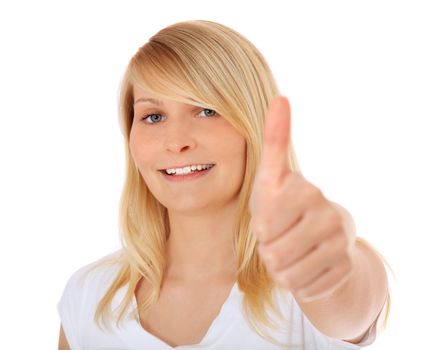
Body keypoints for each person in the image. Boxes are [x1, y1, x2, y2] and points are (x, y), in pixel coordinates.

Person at [57, 19, 390, 350]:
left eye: (206, 110)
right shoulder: (89, 296)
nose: (176, 142)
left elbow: (348, 303)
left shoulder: (300, 293)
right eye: (153, 116)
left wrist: (329, 255)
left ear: (254, 124)